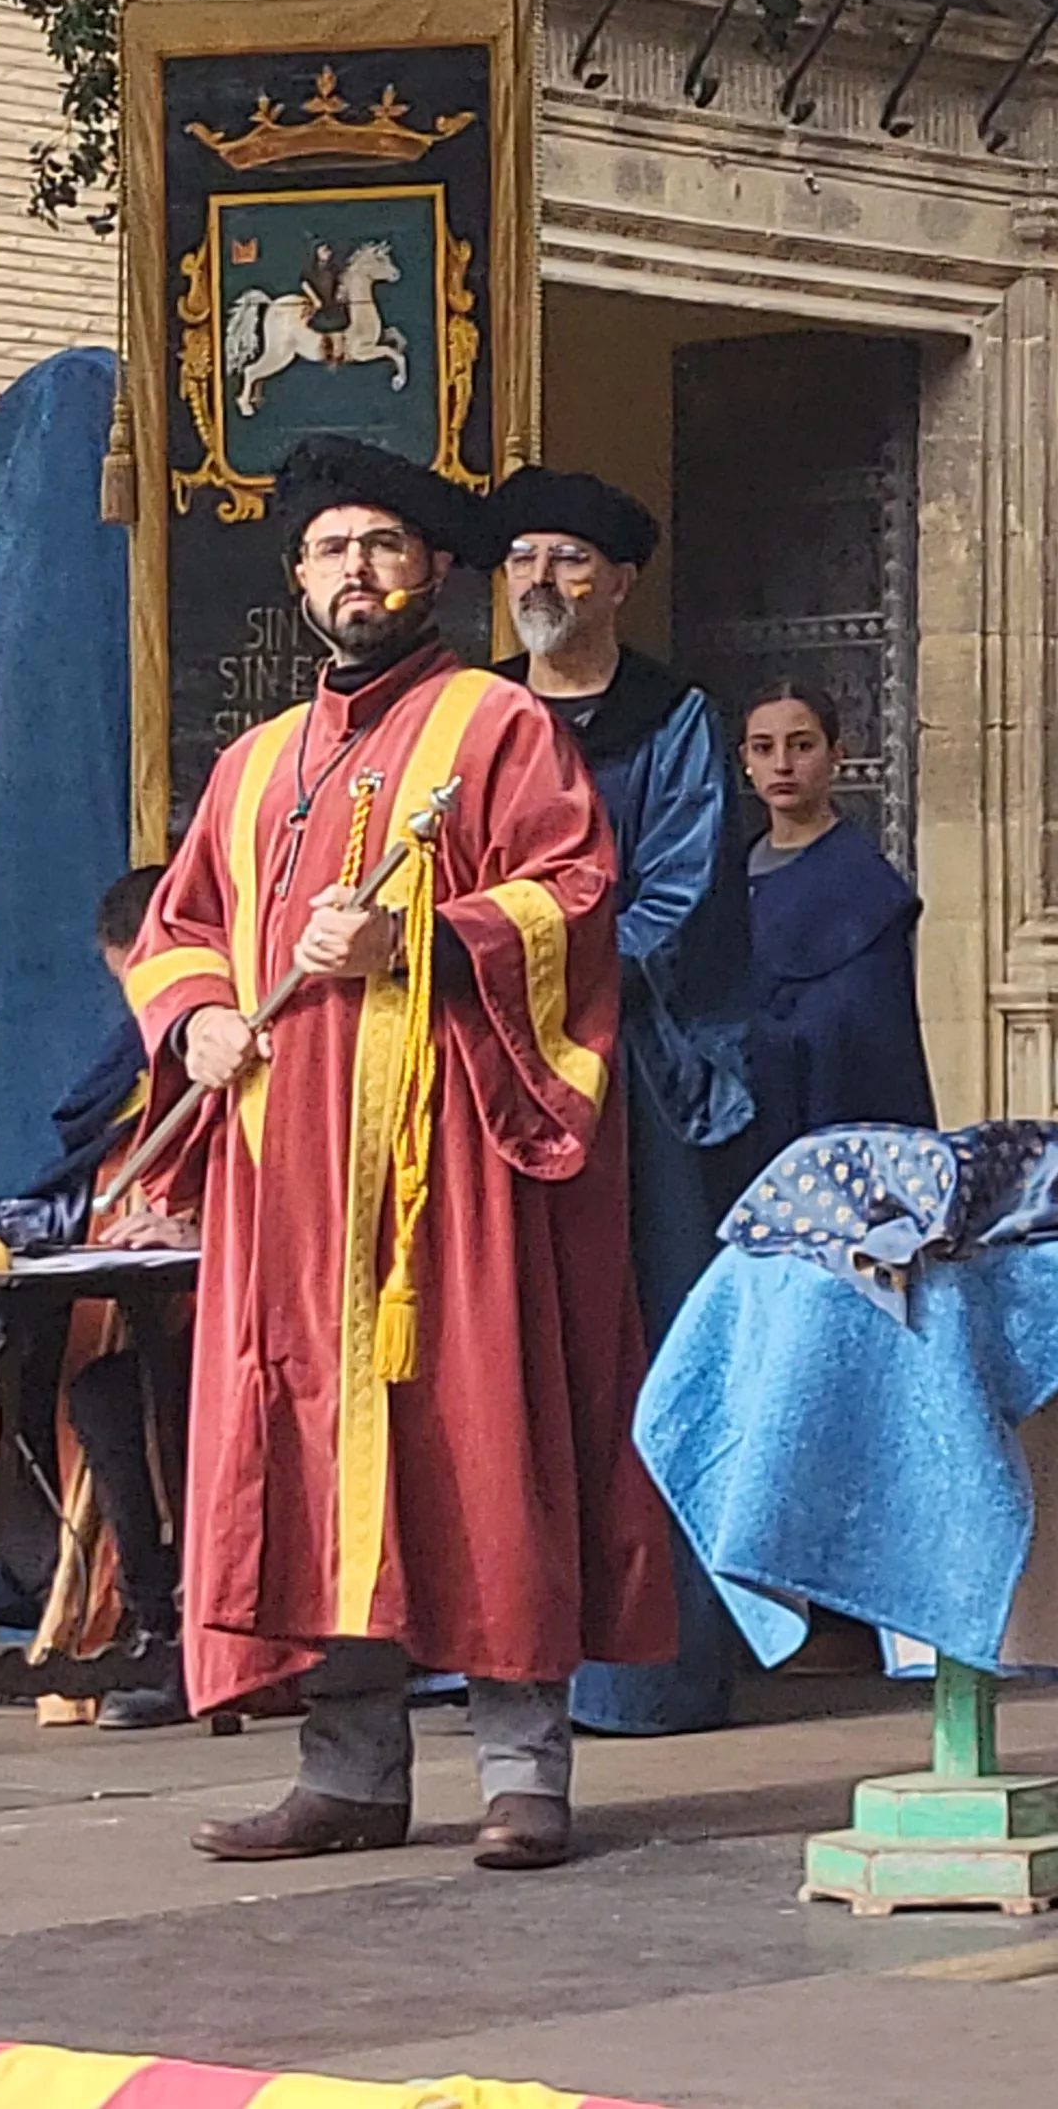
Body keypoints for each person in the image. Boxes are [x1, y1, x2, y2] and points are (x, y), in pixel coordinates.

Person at [128, 434, 674, 1871]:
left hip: (451, 1174)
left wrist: (415, 939)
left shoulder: (496, 730)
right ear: (299, 577)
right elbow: (175, 932)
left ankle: (523, 1775)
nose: (354, 571)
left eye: (380, 545)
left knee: (482, 1446)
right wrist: (192, 1027)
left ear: (432, 567)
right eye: (328, 550)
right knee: (308, 1456)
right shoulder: (250, 770)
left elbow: (575, 898)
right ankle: (351, 1772)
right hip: (290, 1181)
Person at [484, 466, 764, 1742]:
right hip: (487, 1076)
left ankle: (648, 1666)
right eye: (524, 557)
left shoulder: (675, 720)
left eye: (571, 560)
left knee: (638, 1355)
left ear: (621, 580)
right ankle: (485, 1649)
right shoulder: (475, 719)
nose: (543, 579)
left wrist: (538, 973)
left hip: (630, 1082)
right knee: (498, 1356)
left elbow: (681, 902)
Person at [0, 864, 201, 1729]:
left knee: (111, 1396)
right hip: (105, 1317)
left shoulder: (251, 1054)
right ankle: (65, 1599)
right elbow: (76, 1202)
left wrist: (200, 1233)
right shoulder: (132, 1070)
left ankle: (163, 1628)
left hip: (231, 1331)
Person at [737, 682, 938, 1142]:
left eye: (802, 745)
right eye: (764, 748)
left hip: (828, 1121)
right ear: (746, 760)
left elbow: (874, 1047)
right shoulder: (727, 873)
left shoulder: (866, 890)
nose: (783, 765)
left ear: (835, 755)